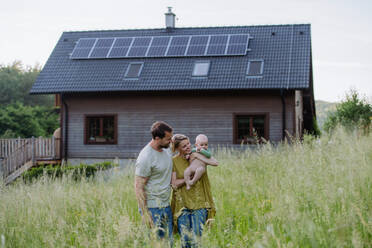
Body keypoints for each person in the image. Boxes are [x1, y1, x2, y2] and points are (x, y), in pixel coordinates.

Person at [171, 134, 218, 248]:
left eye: (188, 144)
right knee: (186, 239)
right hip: (182, 204)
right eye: (184, 146)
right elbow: (174, 184)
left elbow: (215, 162)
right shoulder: (173, 161)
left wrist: (198, 155)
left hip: (200, 202)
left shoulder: (198, 154)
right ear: (177, 148)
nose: (188, 147)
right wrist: (189, 178)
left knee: (197, 238)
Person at [134, 121, 174, 245]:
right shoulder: (146, 157)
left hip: (166, 205)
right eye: (168, 139)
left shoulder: (166, 149)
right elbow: (138, 187)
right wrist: (145, 213)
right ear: (157, 138)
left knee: (169, 243)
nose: (171, 141)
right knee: (156, 243)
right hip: (152, 208)